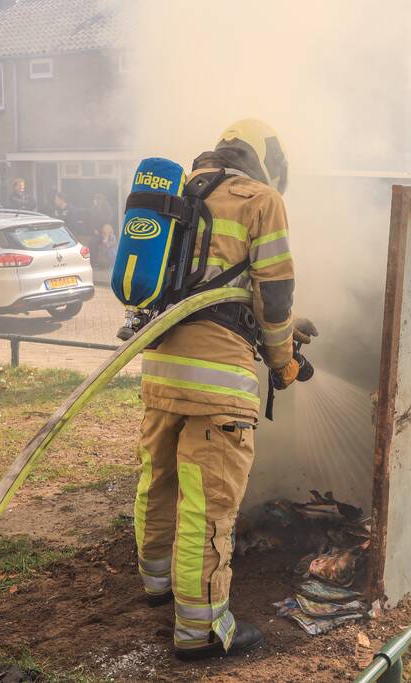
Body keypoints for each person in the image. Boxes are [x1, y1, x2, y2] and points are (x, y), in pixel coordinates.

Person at [133, 119, 316, 661]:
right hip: (219, 382)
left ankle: (156, 585)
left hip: (162, 369)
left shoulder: (183, 193)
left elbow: (206, 284)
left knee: (158, 481)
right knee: (208, 505)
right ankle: (201, 630)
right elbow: (275, 299)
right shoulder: (262, 201)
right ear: (266, 162)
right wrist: (282, 361)